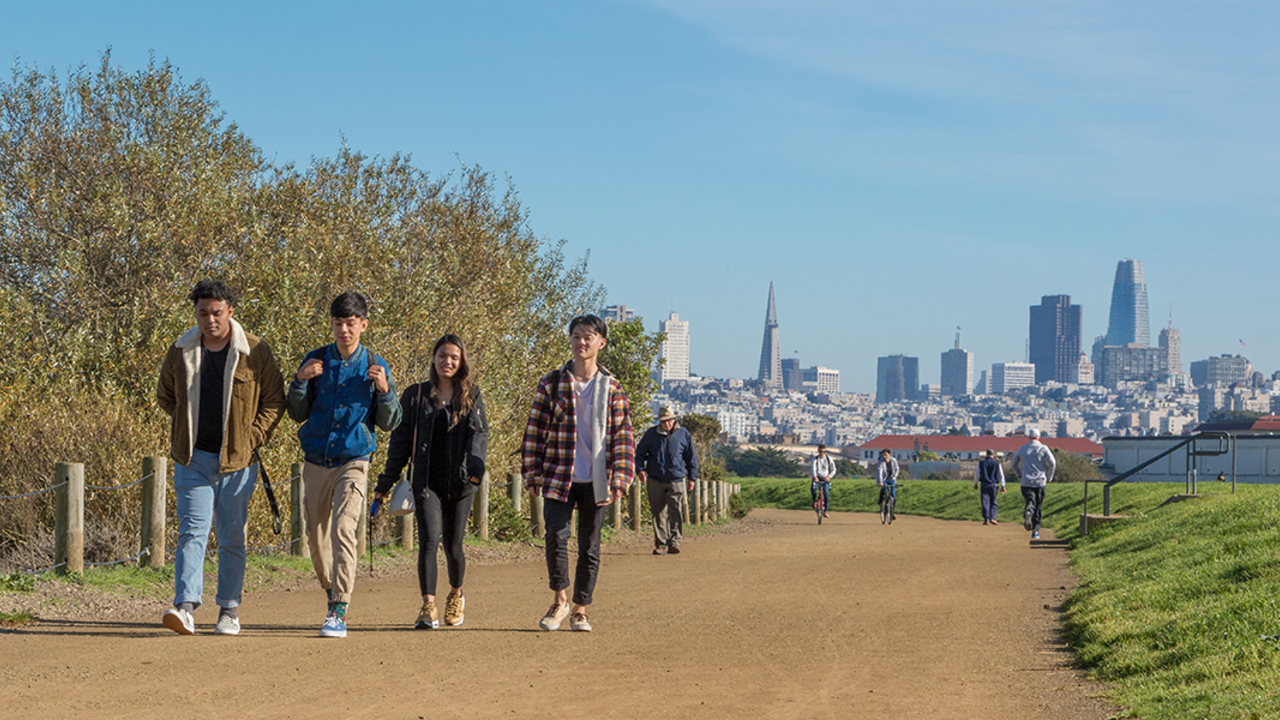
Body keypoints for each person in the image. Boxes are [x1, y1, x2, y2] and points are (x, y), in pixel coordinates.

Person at [157, 280, 286, 636]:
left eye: (216, 312)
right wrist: (187, 427)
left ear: (230, 310)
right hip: (192, 458)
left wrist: (250, 438)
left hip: (239, 462)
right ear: (195, 313)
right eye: (203, 313)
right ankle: (185, 607)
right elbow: (166, 397)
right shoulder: (180, 350)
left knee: (231, 537)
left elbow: (275, 402)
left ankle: (229, 610)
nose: (210, 320)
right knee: (192, 532)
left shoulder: (256, 351)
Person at [287, 291, 401, 638]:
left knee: (343, 529)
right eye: (338, 324)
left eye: (351, 324)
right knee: (316, 540)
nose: (344, 331)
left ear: (363, 325)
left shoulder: (376, 365)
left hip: (354, 460)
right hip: (316, 461)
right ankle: (330, 593)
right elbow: (296, 413)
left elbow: (390, 421)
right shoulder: (316, 360)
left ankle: (339, 608)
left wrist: (384, 391)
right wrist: (300, 381)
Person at [522, 314, 635, 633]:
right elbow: (535, 430)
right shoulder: (553, 382)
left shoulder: (611, 386)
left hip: (597, 480)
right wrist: (531, 471)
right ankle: (560, 600)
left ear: (601, 343)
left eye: (588, 337)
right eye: (576, 336)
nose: (581, 342)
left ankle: (581, 608)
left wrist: (621, 478)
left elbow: (623, 435)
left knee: (590, 545)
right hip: (559, 475)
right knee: (555, 538)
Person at [374, 334, 488, 630]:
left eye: (453, 357)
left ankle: (456, 594)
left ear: (461, 362)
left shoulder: (472, 395)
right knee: (428, 541)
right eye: (442, 355)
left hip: (462, 484)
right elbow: (399, 442)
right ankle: (428, 607)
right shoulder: (415, 395)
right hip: (426, 483)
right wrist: (385, 482)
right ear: (433, 358)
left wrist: (475, 469)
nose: (446, 362)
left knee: (453, 546)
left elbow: (479, 435)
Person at [635, 407, 698, 555]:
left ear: (674, 420)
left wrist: (692, 478)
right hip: (655, 479)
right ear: (660, 422)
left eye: (669, 421)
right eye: (664, 421)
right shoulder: (651, 434)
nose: (667, 424)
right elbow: (640, 454)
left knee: (675, 511)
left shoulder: (683, 434)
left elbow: (691, 457)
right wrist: (640, 470)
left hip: (676, 479)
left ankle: (675, 542)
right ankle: (661, 544)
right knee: (658, 513)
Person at [1012, 428, 1056, 540]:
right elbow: (1052, 462)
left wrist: (1019, 474)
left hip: (1026, 481)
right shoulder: (1043, 448)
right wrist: (1049, 476)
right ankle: (1035, 531)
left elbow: (1014, 463)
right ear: (1039, 437)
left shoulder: (1023, 448)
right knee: (1038, 506)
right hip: (1040, 481)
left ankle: (1028, 512)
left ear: (1029, 437)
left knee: (1030, 500)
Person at [973, 449, 1006, 525]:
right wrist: (1003, 485)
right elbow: (1000, 475)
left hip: (984, 484)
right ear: (993, 455)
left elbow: (977, 474)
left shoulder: (981, 463)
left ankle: (986, 519)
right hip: (994, 484)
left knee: (985, 502)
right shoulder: (997, 464)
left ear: (986, 454)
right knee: (994, 501)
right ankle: (993, 518)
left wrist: (975, 483)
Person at [810, 444, 836, 518]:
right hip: (817, 477)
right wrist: (815, 477)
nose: (822, 453)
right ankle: (814, 501)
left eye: (824, 452)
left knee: (826, 493)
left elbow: (833, 469)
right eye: (821, 451)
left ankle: (826, 511)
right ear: (818, 451)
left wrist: (829, 476)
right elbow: (813, 468)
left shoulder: (829, 459)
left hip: (825, 478)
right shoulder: (815, 459)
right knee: (813, 489)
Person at [876, 449, 899, 519]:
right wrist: (880, 481)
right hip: (883, 478)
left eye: (886, 455)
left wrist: (894, 477)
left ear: (889, 455)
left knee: (893, 494)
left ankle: (891, 511)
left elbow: (897, 469)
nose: (884, 456)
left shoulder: (893, 460)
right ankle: (880, 501)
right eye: (883, 455)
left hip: (891, 478)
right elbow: (879, 472)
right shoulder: (881, 462)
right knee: (884, 489)